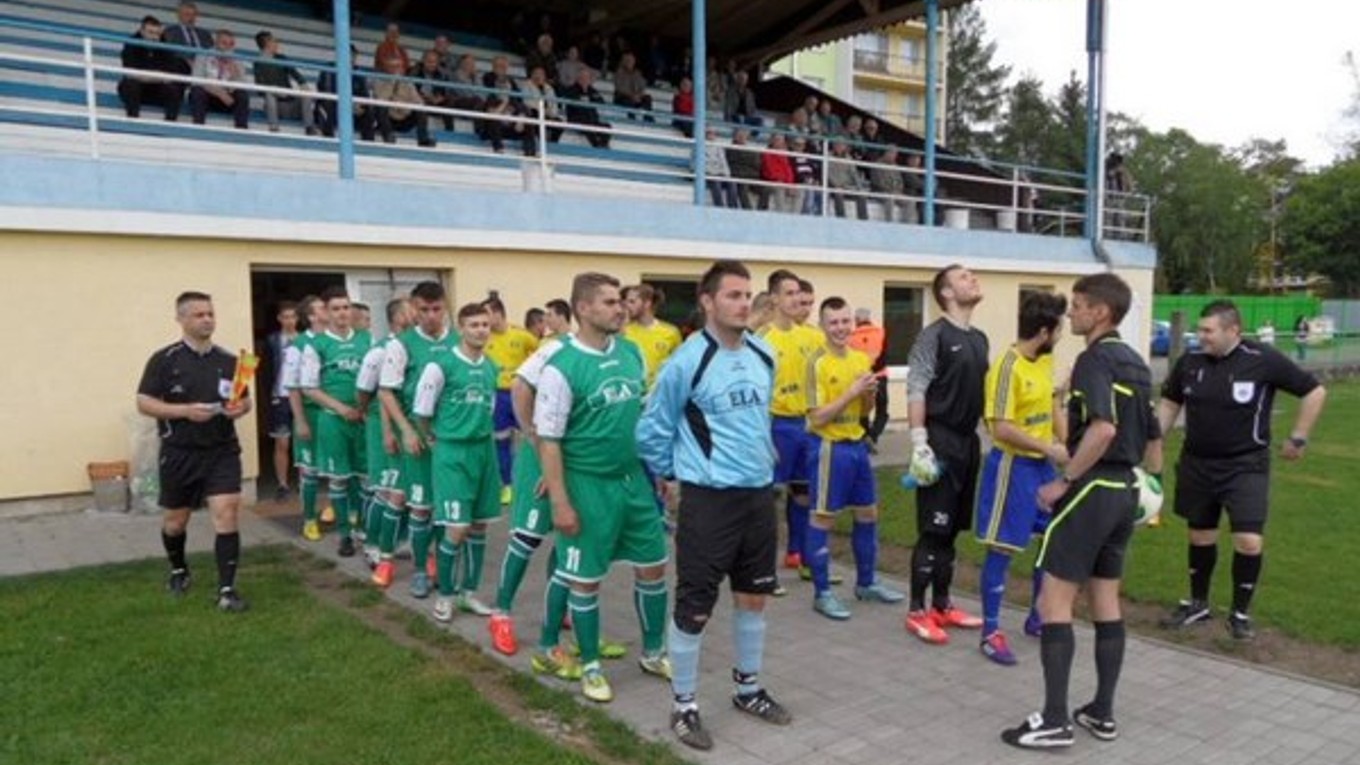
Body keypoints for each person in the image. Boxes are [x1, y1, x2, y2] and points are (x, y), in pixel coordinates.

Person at [1001, 273, 1162, 749]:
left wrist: (1063, 482)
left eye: (1077, 305)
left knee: (1055, 602)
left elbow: (1104, 430)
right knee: (1106, 601)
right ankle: (1101, 712)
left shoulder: (1094, 359)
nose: (1070, 313)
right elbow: (1153, 438)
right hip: (1125, 491)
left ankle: (1053, 720)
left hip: (1091, 490)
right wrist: (1153, 486)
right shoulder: (1135, 362)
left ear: (1101, 313)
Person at [637, 260, 792, 750]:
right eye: (733, 295)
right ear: (707, 302)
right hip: (708, 500)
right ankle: (684, 704)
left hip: (757, 498)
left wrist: (764, 453)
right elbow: (651, 430)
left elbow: (756, 422)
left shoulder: (764, 354)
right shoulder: (687, 361)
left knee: (753, 596)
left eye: (748, 295)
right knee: (695, 606)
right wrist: (673, 476)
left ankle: (747, 689)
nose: (744, 303)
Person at [534, 272, 671, 702]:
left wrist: (660, 469)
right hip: (586, 485)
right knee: (585, 580)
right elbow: (549, 439)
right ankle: (590, 664)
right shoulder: (561, 366)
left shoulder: (631, 353)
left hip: (633, 481)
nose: (621, 308)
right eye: (611, 302)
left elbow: (644, 418)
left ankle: (652, 652)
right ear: (584, 309)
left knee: (654, 566)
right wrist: (560, 500)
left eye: (621, 301)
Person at [1157, 301, 1327, 641]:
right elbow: (1170, 402)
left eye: (1208, 330)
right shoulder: (1189, 362)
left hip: (1246, 465)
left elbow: (1314, 391)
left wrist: (1299, 436)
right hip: (1197, 463)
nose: (1200, 336)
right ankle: (1199, 603)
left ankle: (1239, 614)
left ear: (1232, 330)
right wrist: (1153, 439)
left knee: (1248, 541)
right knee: (1200, 536)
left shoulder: (1262, 358)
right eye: (1199, 329)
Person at [136, 291, 251, 612]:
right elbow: (144, 402)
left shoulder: (230, 361)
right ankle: (179, 569)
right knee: (175, 521)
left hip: (221, 451)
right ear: (182, 319)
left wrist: (240, 408)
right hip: (179, 452)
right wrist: (185, 411)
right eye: (199, 314)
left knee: (227, 512)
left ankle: (227, 591)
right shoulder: (164, 359)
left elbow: (244, 400)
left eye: (211, 313)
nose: (207, 319)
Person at [975, 292, 1070, 666]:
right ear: (1045, 331)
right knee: (1002, 548)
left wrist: (1067, 445)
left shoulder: (1045, 362)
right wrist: (1048, 449)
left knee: (1052, 541)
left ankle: (1037, 616)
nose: (1062, 333)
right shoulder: (1006, 366)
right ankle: (990, 633)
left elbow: (1051, 407)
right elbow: (1001, 427)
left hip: (1043, 469)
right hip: (1012, 469)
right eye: (1059, 328)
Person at [803, 297, 905, 621]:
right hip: (830, 448)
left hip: (857, 445)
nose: (840, 328)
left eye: (845, 321)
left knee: (868, 512)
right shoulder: (816, 363)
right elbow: (817, 418)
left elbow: (863, 412)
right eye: (833, 322)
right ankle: (822, 593)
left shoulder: (861, 359)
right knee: (823, 517)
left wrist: (868, 396)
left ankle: (866, 583)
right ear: (822, 326)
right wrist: (850, 392)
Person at [904, 265, 988, 644]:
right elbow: (916, 389)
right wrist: (919, 443)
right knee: (933, 529)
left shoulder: (981, 339)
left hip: (968, 444)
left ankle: (942, 604)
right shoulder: (933, 336)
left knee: (952, 530)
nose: (973, 279)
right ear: (947, 292)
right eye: (964, 277)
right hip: (938, 440)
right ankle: (917, 611)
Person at [414, 303, 502, 621]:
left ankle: (469, 593)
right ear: (461, 328)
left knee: (479, 526)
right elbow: (422, 411)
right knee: (456, 527)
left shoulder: (491, 366)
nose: (481, 330)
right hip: (452, 451)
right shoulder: (442, 365)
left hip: (484, 451)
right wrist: (433, 439)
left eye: (485, 325)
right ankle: (446, 595)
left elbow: (489, 407)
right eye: (474, 324)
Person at [377, 281, 456, 596]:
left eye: (437, 309)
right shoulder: (402, 344)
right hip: (418, 438)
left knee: (444, 506)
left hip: (450, 437)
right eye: (424, 309)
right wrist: (404, 431)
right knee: (420, 506)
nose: (431, 316)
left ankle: (437, 560)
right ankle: (420, 570)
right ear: (413, 308)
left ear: (445, 306)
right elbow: (386, 391)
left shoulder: (459, 340)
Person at [757, 270, 826, 592]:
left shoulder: (810, 337)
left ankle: (802, 557)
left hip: (806, 425)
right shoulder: (761, 339)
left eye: (799, 292)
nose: (796, 299)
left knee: (804, 494)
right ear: (773, 299)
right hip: (775, 424)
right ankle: (761, 571)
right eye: (788, 293)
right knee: (767, 497)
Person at [300, 287, 372, 557]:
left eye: (346, 307)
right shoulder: (317, 344)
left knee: (366, 479)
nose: (342, 313)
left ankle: (364, 529)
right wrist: (341, 408)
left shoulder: (367, 339)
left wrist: (365, 407)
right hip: (333, 420)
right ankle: (345, 534)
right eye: (336, 308)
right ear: (326, 313)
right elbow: (309, 387)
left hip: (364, 419)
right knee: (339, 479)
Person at [356, 297, 413, 570]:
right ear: (398, 317)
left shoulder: (415, 347)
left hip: (411, 427)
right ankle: (372, 544)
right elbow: (364, 391)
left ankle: (399, 539)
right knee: (386, 488)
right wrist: (371, 417)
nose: (418, 315)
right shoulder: (379, 351)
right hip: (383, 426)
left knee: (405, 489)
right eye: (412, 310)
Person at [484, 297, 540, 505]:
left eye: (487, 314)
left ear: (499, 313)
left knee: (534, 437)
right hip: (497, 396)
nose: (485, 321)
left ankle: (540, 478)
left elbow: (540, 353)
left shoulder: (522, 336)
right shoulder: (485, 337)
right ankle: (507, 486)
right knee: (501, 442)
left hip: (519, 394)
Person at [284, 295, 327, 540]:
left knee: (344, 469)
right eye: (322, 307)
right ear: (311, 316)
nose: (328, 310)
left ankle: (347, 515)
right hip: (311, 413)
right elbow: (292, 386)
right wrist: (300, 420)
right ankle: (309, 519)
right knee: (309, 470)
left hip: (334, 414)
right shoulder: (298, 345)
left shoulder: (334, 339)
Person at [265, 301, 299, 501]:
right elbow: (265, 368)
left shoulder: (307, 339)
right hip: (280, 396)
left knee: (304, 442)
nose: (289, 321)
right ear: (279, 319)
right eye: (285, 317)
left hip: (302, 397)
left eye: (292, 316)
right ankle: (282, 483)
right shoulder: (272, 340)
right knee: (282, 442)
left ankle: (306, 481)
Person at [118, 16, 183, 121]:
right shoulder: (131, 44)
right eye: (150, 32)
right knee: (129, 84)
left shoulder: (165, 45)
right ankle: (133, 120)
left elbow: (171, 75)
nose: (154, 37)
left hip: (157, 90)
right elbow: (130, 73)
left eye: (157, 33)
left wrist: (145, 75)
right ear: (142, 31)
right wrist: (159, 76)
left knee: (175, 89)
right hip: (138, 89)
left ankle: (170, 123)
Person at [253, 31, 316, 134]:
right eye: (274, 41)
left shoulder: (281, 58)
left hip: (292, 103)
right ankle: (274, 127)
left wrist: (303, 84)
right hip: (276, 106)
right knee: (269, 94)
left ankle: (309, 127)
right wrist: (276, 91)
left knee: (306, 94)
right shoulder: (258, 63)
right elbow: (260, 88)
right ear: (267, 43)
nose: (277, 43)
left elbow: (296, 74)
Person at [622, 284, 683, 390]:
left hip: (660, 396)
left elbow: (679, 367)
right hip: (632, 395)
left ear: (647, 304)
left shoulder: (671, 332)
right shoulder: (623, 331)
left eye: (632, 301)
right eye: (627, 301)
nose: (627, 305)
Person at [189, 29, 250, 129]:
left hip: (227, 99)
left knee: (242, 96)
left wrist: (233, 70)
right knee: (197, 91)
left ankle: (241, 130)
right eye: (224, 43)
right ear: (216, 43)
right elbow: (197, 80)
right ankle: (198, 127)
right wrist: (220, 93)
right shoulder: (203, 55)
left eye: (231, 44)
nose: (227, 47)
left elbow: (242, 84)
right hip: (209, 95)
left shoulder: (237, 60)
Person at [373, 56, 435, 147]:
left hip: (404, 117)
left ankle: (423, 140)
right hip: (389, 119)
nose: (396, 70)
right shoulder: (379, 81)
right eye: (392, 67)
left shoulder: (408, 83)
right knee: (380, 107)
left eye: (398, 67)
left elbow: (418, 102)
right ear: (386, 68)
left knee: (421, 110)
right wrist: (392, 82)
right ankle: (388, 136)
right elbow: (382, 99)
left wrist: (404, 107)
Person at [848, 307, 889, 447]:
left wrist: (865, 371)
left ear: (857, 320)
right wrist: (874, 370)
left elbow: (850, 360)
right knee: (882, 410)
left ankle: (865, 436)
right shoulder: (881, 332)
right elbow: (884, 356)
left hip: (861, 378)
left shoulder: (851, 336)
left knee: (863, 410)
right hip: (880, 376)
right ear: (869, 318)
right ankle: (874, 435)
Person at [561, 68, 612, 149]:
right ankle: (596, 146)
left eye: (586, 78)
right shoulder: (571, 90)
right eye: (582, 77)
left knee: (607, 126)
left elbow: (601, 101)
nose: (584, 80)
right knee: (587, 124)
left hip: (592, 119)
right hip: (576, 119)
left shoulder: (592, 90)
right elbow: (575, 104)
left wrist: (589, 97)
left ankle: (603, 145)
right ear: (578, 78)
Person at [162, 1, 213, 76]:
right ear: (179, 15)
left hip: (204, 68)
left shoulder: (205, 34)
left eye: (193, 15)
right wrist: (188, 61)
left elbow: (211, 51)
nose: (191, 18)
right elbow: (170, 52)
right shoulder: (170, 32)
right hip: (182, 68)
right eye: (187, 14)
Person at [612, 52, 654, 122]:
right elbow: (620, 88)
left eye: (632, 61)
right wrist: (632, 96)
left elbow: (642, 86)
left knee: (647, 98)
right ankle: (631, 118)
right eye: (628, 61)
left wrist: (639, 95)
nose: (630, 63)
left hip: (635, 97)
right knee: (627, 100)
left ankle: (648, 118)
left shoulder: (637, 73)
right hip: (622, 97)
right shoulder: (619, 72)